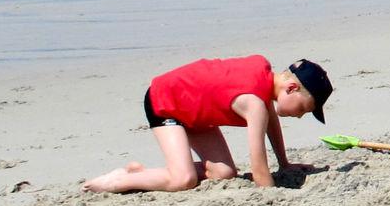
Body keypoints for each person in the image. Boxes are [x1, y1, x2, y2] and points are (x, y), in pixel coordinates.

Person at [82, 55, 332, 194]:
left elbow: (271, 122)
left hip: (197, 114)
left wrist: (285, 163)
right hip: (166, 103)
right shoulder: (254, 103)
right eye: (303, 108)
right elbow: (259, 170)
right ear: (291, 87)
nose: (299, 116)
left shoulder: (264, 78)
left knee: (224, 174)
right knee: (183, 180)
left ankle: (142, 174)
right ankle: (117, 180)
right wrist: (270, 191)